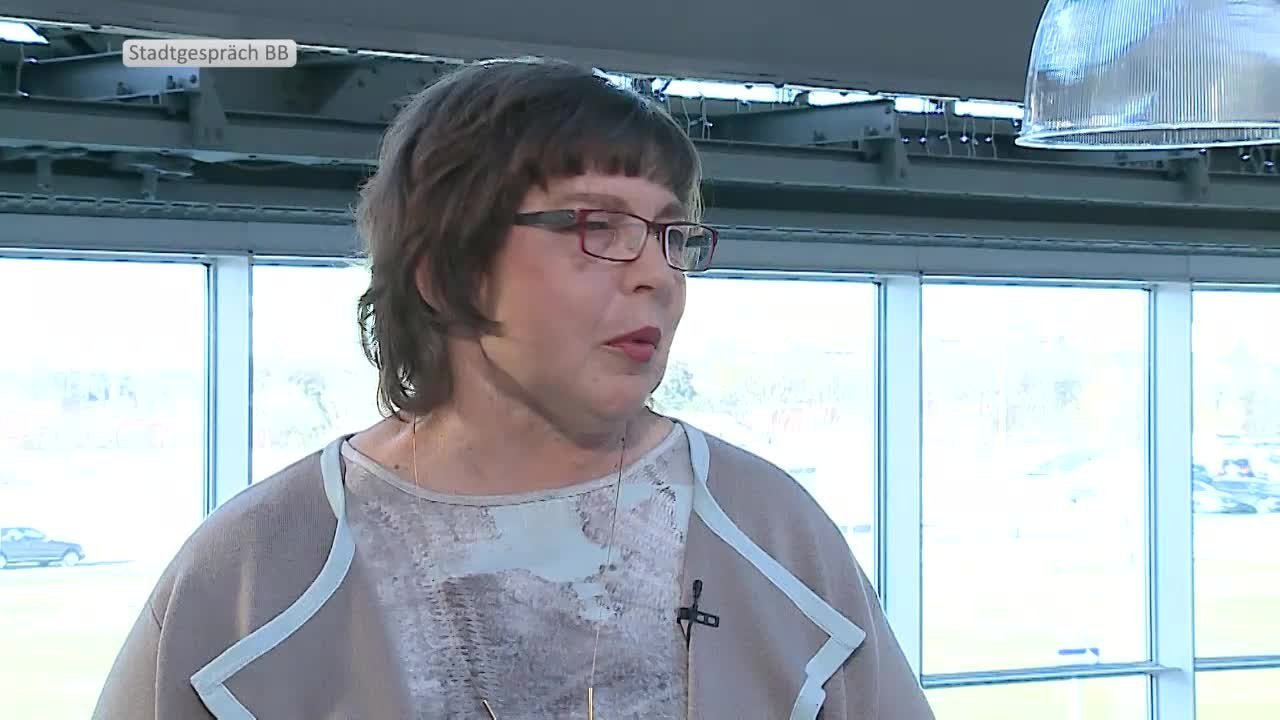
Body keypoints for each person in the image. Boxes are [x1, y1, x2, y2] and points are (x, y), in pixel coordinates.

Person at [92, 57, 934, 720]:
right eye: (598, 225)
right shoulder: (255, 573)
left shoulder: (772, 532)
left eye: (670, 233)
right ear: (445, 271)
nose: (656, 274)